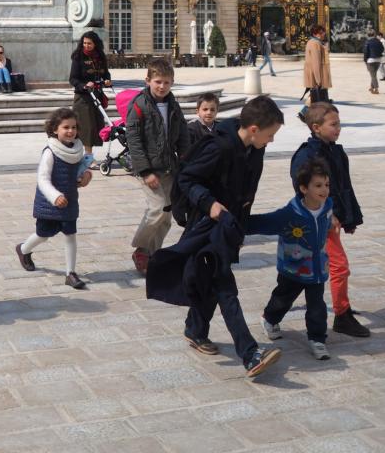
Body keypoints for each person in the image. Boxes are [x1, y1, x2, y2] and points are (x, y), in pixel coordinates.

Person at [147, 96, 285, 379]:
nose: (271, 142)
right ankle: (249, 354)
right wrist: (209, 204)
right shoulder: (219, 147)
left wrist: (240, 228)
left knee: (210, 281)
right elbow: (186, 179)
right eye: (270, 135)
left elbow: (245, 193)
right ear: (255, 129)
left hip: (227, 227)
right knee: (225, 286)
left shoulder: (253, 149)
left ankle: (195, 329)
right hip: (206, 227)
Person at [291, 103, 370, 338]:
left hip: (331, 219)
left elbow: (345, 186)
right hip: (316, 220)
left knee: (303, 271)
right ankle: (342, 315)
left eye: (339, 123)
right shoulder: (307, 155)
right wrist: (327, 213)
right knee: (338, 266)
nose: (339, 128)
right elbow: (302, 190)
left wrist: (350, 218)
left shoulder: (336, 151)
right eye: (333, 124)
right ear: (316, 127)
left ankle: (273, 313)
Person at [248, 158, 334, 361]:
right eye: (318, 185)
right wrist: (237, 224)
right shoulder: (290, 213)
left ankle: (317, 339)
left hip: (318, 269)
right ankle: (269, 319)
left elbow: (328, 218)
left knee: (316, 305)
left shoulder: (328, 205)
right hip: (293, 268)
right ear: (304, 188)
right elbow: (263, 223)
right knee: (283, 299)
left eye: (327, 185)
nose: (324, 190)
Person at [14, 107, 93, 289]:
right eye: (66, 127)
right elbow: (42, 178)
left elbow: (81, 170)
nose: (71, 131)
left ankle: (70, 273)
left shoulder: (77, 150)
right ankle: (23, 249)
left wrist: (86, 176)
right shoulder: (50, 151)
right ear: (55, 129)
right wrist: (54, 196)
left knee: (70, 234)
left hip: (70, 200)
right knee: (43, 235)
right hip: (50, 203)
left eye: (74, 127)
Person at [125, 57, 191, 274]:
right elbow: (133, 141)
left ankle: (151, 255)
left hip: (169, 167)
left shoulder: (173, 104)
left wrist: (185, 157)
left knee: (166, 215)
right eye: (158, 82)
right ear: (148, 81)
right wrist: (145, 171)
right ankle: (140, 249)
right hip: (148, 169)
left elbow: (182, 132)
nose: (162, 86)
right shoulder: (139, 105)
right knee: (158, 208)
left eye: (167, 82)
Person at [69, 31, 112, 156]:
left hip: (96, 96)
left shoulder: (100, 57)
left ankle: (83, 155)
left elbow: (105, 73)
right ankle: (88, 157)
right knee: (87, 127)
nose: (86, 46)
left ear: (95, 44)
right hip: (83, 98)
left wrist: (107, 80)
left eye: (89, 43)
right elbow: (73, 79)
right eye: (84, 43)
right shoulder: (78, 57)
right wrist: (84, 85)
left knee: (96, 126)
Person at [304, 24, 331, 103]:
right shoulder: (315, 44)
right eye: (321, 32)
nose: (324, 34)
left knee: (315, 97)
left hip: (315, 76)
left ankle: (305, 112)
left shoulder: (315, 42)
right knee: (318, 99)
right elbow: (316, 63)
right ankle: (305, 112)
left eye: (323, 32)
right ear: (315, 34)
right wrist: (318, 80)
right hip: (316, 77)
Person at [362, 28, 384, 94]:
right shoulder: (378, 41)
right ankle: (371, 87)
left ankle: (376, 89)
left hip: (370, 60)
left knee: (373, 75)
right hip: (378, 60)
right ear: (374, 34)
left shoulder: (368, 42)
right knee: (374, 74)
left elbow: (366, 52)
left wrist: (365, 60)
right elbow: (382, 49)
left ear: (368, 35)